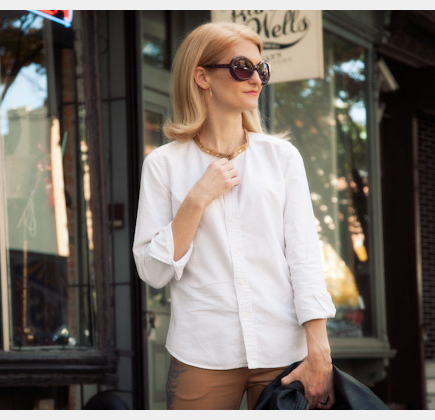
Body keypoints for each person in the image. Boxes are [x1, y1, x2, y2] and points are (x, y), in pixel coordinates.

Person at [132, 21, 337, 410]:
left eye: (262, 69)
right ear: (202, 77)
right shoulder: (163, 165)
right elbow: (153, 271)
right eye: (243, 67)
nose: (256, 78)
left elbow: (304, 257)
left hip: (283, 350)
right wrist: (196, 200)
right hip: (203, 350)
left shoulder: (282, 158)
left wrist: (319, 352)